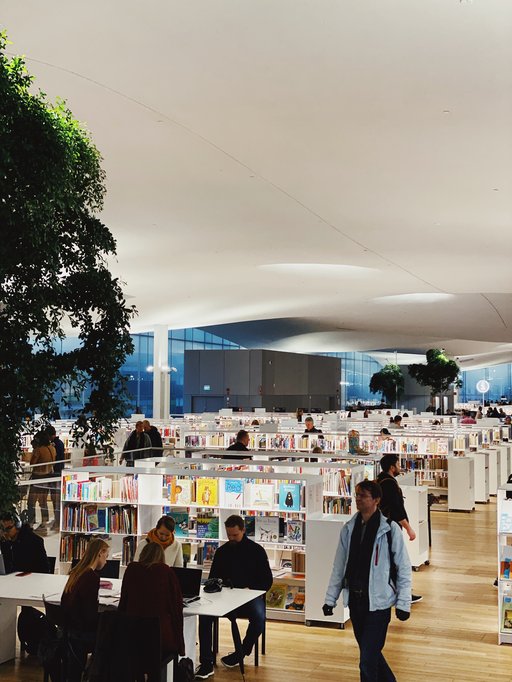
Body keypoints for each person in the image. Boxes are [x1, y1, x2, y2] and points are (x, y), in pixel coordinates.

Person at [323, 480, 411, 682]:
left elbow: (404, 567)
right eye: (357, 495)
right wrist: (330, 599)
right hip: (356, 602)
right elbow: (339, 566)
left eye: (363, 495)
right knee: (369, 653)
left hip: (378, 604)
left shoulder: (390, 530)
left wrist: (403, 603)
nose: (358, 499)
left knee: (367, 660)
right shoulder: (349, 529)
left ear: (376, 500)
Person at [195, 515, 273, 679]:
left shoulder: (257, 551)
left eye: (235, 535)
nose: (231, 538)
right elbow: (213, 578)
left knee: (259, 618)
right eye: (228, 535)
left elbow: (267, 581)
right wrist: (218, 585)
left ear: (243, 530)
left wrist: (250, 588)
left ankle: (242, 652)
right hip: (224, 597)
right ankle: (206, 663)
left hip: (249, 596)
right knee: (204, 616)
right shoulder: (222, 552)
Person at [119, 543, 185, 660]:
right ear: (161, 556)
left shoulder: (131, 569)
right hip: (159, 635)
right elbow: (176, 606)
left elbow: (124, 600)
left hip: (133, 632)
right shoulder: (166, 571)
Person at [61, 538, 109, 682]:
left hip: (69, 630)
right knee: (112, 635)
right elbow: (89, 616)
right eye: (106, 557)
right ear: (100, 553)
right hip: (80, 634)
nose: (106, 562)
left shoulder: (76, 572)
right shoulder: (91, 577)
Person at [377, 454, 422, 605]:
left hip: (382, 526)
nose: (400, 467)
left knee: (389, 560)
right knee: (398, 561)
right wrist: (409, 528)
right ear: (391, 467)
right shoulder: (389, 484)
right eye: (397, 464)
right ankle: (403, 595)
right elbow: (396, 509)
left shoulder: (380, 480)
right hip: (391, 527)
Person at [27, 429, 56, 533]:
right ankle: (44, 522)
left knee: (31, 502)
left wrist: (34, 450)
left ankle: (30, 522)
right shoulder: (52, 448)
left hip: (38, 477)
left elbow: (32, 463)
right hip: (48, 476)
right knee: (43, 502)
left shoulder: (39, 450)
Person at [46, 425, 65, 530]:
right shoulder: (59, 443)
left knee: (56, 499)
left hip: (56, 474)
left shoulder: (56, 445)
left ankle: (58, 522)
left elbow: (57, 459)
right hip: (58, 473)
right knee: (56, 499)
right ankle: (57, 520)